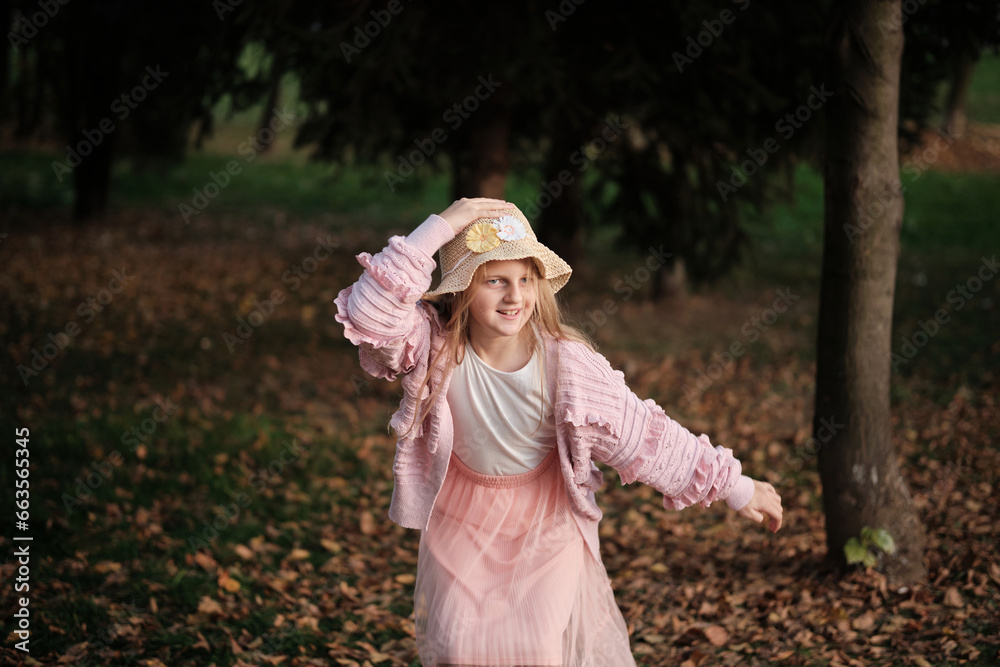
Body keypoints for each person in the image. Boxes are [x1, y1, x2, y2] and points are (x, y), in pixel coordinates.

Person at [335, 197, 783, 667]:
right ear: (463, 288)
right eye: (496, 281)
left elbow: (645, 435)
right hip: (462, 516)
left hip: (546, 522)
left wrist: (734, 485)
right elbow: (370, 315)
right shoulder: (432, 349)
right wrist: (445, 225)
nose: (515, 297)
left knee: (536, 648)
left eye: (526, 280)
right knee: (460, 649)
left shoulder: (567, 365)